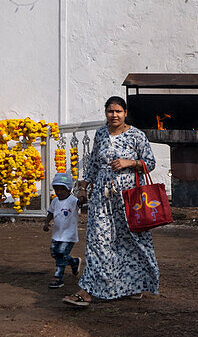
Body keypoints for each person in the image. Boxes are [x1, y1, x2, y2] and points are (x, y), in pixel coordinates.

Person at [63, 96, 159, 307]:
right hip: (102, 198)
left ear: (125, 113)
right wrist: (83, 187)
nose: (114, 115)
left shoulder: (137, 136)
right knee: (98, 241)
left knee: (132, 240)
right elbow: (94, 163)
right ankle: (86, 291)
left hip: (129, 199)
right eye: (110, 111)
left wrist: (130, 162)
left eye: (118, 111)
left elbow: (150, 163)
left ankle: (134, 285)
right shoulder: (101, 134)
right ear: (106, 113)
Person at [43, 172, 80, 288]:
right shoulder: (55, 201)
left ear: (69, 189)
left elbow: (81, 203)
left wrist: (83, 197)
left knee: (61, 254)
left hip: (69, 236)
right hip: (57, 235)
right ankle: (74, 262)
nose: (59, 192)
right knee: (54, 252)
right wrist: (46, 223)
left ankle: (58, 277)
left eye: (62, 189)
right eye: (56, 189)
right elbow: (50, 212)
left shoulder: (73, 201)